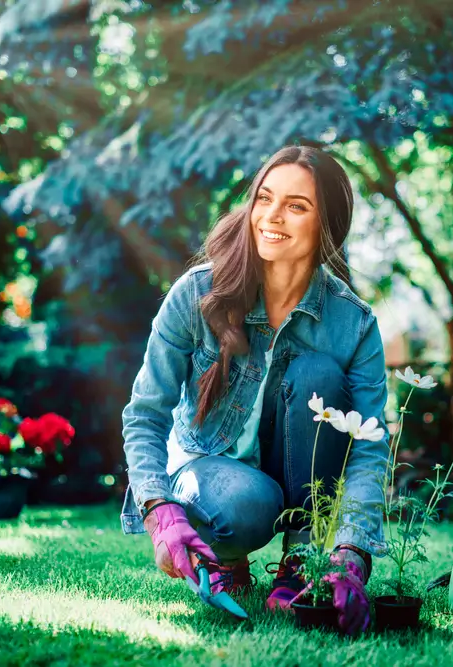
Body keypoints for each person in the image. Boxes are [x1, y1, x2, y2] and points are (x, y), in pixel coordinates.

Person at [119, 145, 389, 635]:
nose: (272, 216)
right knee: (248, 503)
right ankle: (226, 555)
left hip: (291, 482)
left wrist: (352, 555)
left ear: (326, 226)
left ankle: (299, 563)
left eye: (296, 206)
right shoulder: (197, 293)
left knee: (319, 376)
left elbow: (370, 448)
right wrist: (159, 510)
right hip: (210, 470)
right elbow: (145, 414)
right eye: (265, 198)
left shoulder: (353, 323)